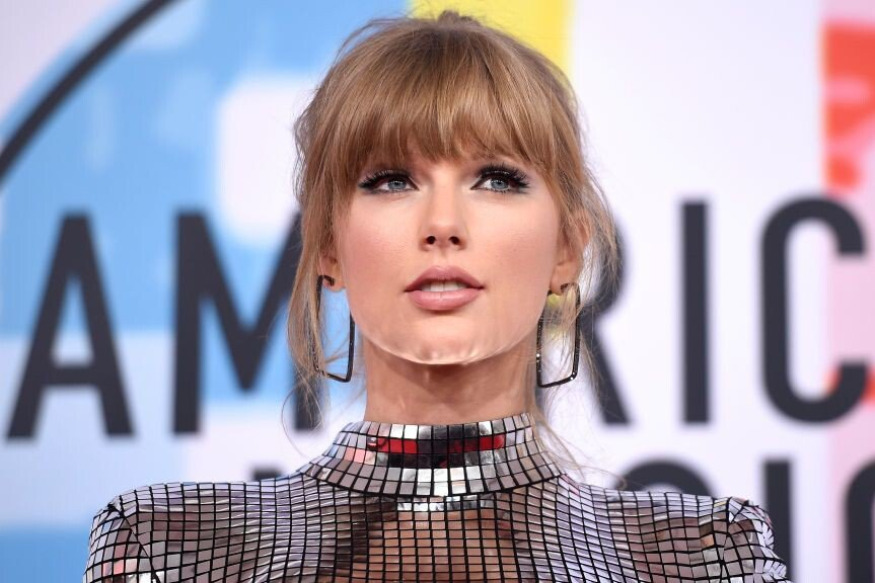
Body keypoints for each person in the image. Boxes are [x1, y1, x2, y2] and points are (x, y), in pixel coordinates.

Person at [82, 10, 791, 583]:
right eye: (391, 180)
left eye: (496, 179)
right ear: (328, 247)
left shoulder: (701, 556)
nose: (443, 224)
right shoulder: (172, 548)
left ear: (566, 250)